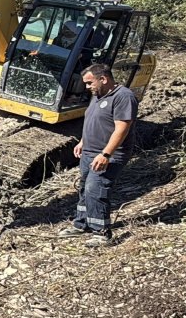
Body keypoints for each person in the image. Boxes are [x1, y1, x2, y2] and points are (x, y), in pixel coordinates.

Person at [58, 63, 136, 247]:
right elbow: (94, 120)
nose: (87, 87)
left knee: (96, 188)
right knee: (85, 188)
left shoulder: (123, 97)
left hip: (109, 154)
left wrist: (106, 154)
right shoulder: (98, 95)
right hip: (89, 152)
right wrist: (83, 142)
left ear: (103, 79)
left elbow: (122, 128)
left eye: (89, 83)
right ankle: (81, 224)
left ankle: (101, 233)